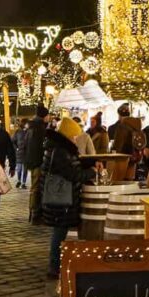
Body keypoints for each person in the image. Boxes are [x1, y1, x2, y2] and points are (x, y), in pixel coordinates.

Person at [39, 117, 98, 279]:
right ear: (68, 134)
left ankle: (57, 264)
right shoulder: (60, 151)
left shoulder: (59, 148)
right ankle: (54, 266)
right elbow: (72, 174)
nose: (75, 138)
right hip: (61, 199)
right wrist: (91, 172)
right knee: (59, 232)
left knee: (60, 231)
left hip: (61, 197)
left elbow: (71, 167)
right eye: (74, 135)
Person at [24, 105, 51, 223]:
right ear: (44, 116)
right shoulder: (39, 128)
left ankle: (33, 212)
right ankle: (35, 213)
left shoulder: (31, 127)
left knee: (35, 187)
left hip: (31, 160)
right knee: (36, 188)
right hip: (38, 161)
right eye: (48, 115)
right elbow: (41, 146)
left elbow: (24, 145)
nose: (49, 117)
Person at [109, 103, 143, 181]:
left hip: (122, 157)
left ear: (119, 114)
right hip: (135, 156)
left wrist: (114, 152)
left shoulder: (121, 126)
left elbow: (118, 144)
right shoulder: (137, 125)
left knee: (118, 181)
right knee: (130, 180)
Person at [13, 118, 30, 188]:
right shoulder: (18, 131)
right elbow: (13, 141)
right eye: (27, 123)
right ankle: (19, 181)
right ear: (23, 124)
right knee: (19, 169)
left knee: (25, 169)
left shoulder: (29, 132)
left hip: (26, 153)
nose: (28, 125)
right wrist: (16, 148)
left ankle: (23, 183)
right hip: (19, 153)